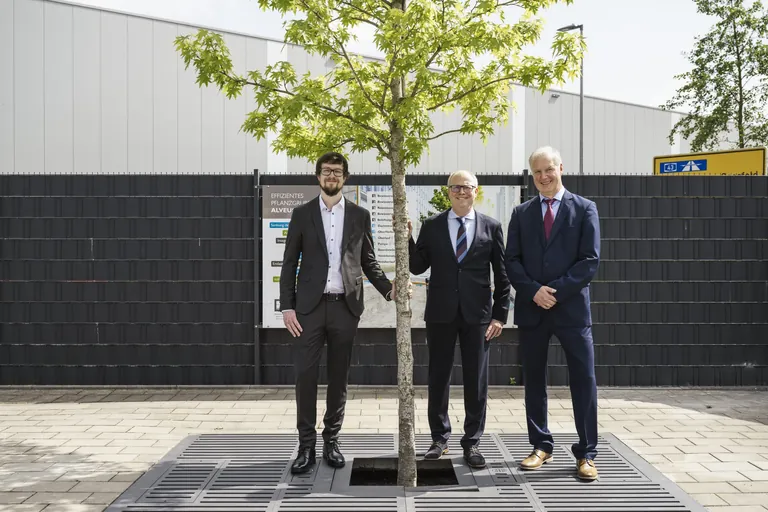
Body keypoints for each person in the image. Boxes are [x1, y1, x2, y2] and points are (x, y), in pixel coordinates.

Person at [280, 152, 398, 474]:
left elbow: (368, 261)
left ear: (345, 177)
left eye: (337, 171)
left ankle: (331, 440)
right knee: (305, 376)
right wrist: (287, 307)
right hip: (309, 310)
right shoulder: (302, 214)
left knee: (338, 378)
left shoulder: (359, 215)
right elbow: (289, 263)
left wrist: (389, 289)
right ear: (318, 176)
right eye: (326, 171)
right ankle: (306, 446)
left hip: (346, 308)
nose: (331, 176)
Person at [504, 146, 600, 481]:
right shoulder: (521, 213)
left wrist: (554, 292)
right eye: (537, 173)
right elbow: (511, 261)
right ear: (532, 176)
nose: (544, 177)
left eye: (549, 170)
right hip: (533, 310)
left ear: (561, 167)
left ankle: (586, 453)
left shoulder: (585, 209)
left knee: (584, 380)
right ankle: (540, 445)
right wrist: (533, 291)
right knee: (534, 380)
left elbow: (590, 261)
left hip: (571, 310)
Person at [408, 170, 511, 469]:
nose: (461, 192)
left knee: (475, 380)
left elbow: (502, 277)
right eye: (455, 187)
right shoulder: (433, 225)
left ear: (475, 191)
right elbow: (417, 267)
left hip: (478, 316)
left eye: (466, 187)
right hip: (440, 313)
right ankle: (439, 439)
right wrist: (408, 236)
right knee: (438, 377)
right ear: (448, 192)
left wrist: (499, 316)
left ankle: (472, 442)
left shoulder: (491, 227)